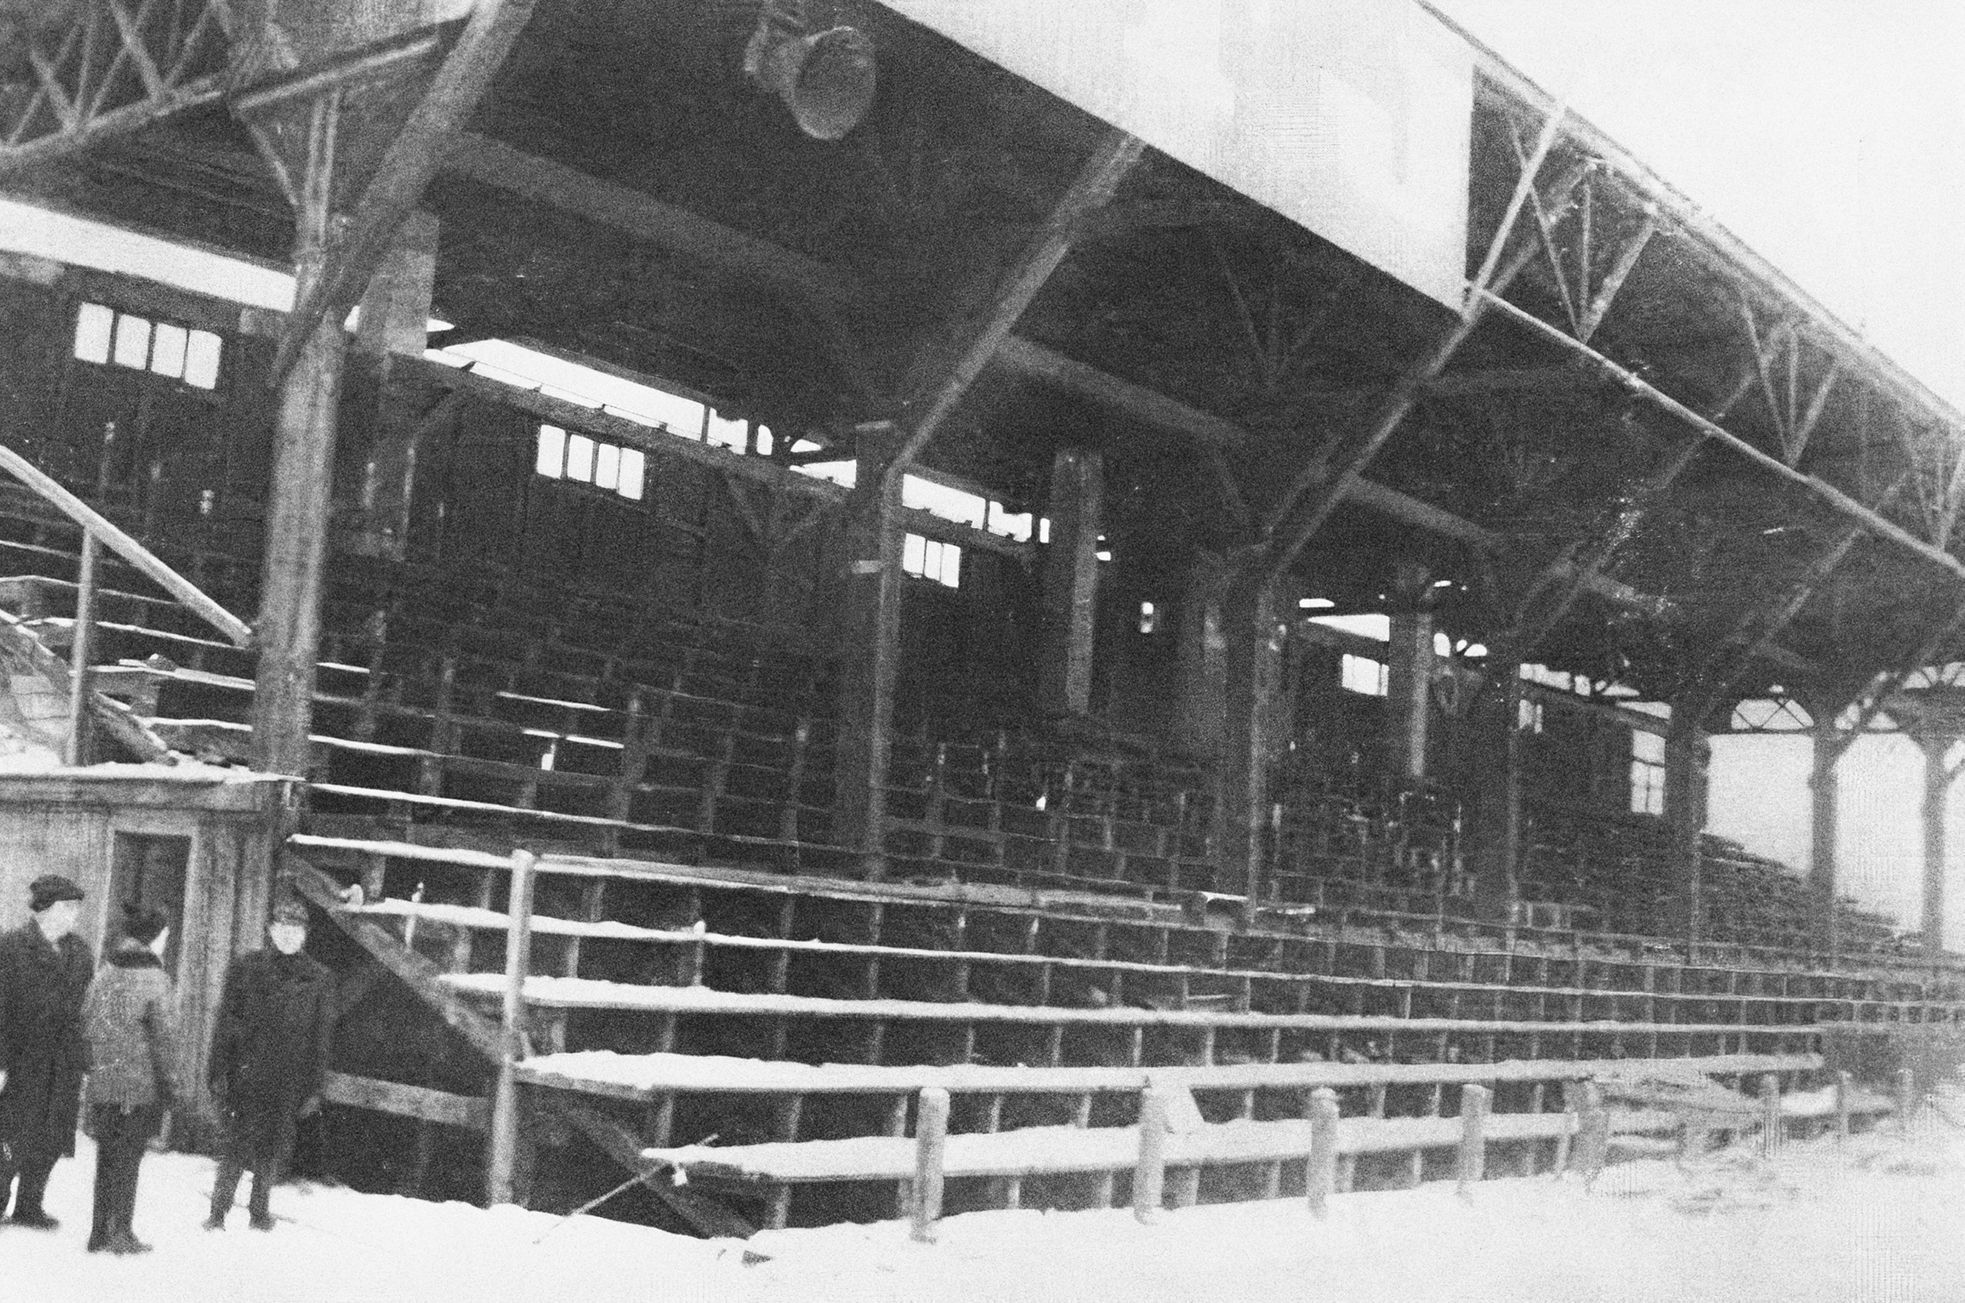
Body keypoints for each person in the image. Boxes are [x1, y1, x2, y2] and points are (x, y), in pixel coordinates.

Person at [205, 895, 333, 1231]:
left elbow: (321, 1038)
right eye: (282, 928)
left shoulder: (318, 978)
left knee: (272, 1147)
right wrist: (217, 1070)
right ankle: (217, 1213)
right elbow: (225, 1023)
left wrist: (314, 1088)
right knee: (235, 1144)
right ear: (270, 930)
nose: (288, 935)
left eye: (296, 929)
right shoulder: (247, 968)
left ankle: (258, 1212)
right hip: (245, 1074)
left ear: (305, 935)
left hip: (288, 1077)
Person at [80, 903, 182, 1254]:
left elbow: (87, 1021)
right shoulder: (155, 979)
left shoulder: (106, 971)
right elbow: (165, 1039)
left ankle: (98, 1232)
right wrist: (172, 1089)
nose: (166, 943)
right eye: (165, 937)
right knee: (128, 1161)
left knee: (106, 1158)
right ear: (153, 939)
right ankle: (121, 1233)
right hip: (138, 1089)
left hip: (104, 1085)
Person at [0, 873, 93, 1231]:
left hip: (63, 1063)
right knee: (10, 1137)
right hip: (22, 1061)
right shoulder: (11, 948)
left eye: (76, 908)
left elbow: (84, 1009)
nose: (74, 915)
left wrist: (85, 1058)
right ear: (44, 909)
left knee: (51, 1139)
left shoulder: (80, 953)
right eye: (67, 907)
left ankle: (29, 1206)